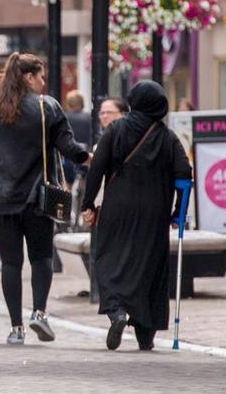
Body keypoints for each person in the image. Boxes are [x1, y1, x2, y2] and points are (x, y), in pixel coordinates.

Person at [0, 53, 89, 346]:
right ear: (29, 77)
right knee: (41, 257)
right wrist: (88, 156)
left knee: (11, 263)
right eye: (41, 76)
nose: (43, 82)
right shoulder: (47, 108)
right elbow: (67, 146)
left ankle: (15, 327)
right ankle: (39, 313)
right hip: (37, 199)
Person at [81, 81, 193, 352]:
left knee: (109, 259)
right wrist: (179, 212)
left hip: (117, 208)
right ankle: (146, 332)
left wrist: (88, 204)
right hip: (155, 214)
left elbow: (96, 168)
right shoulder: (168, 137)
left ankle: (117, 310)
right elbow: (184, 175)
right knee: (150, 269)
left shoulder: (116, 130)